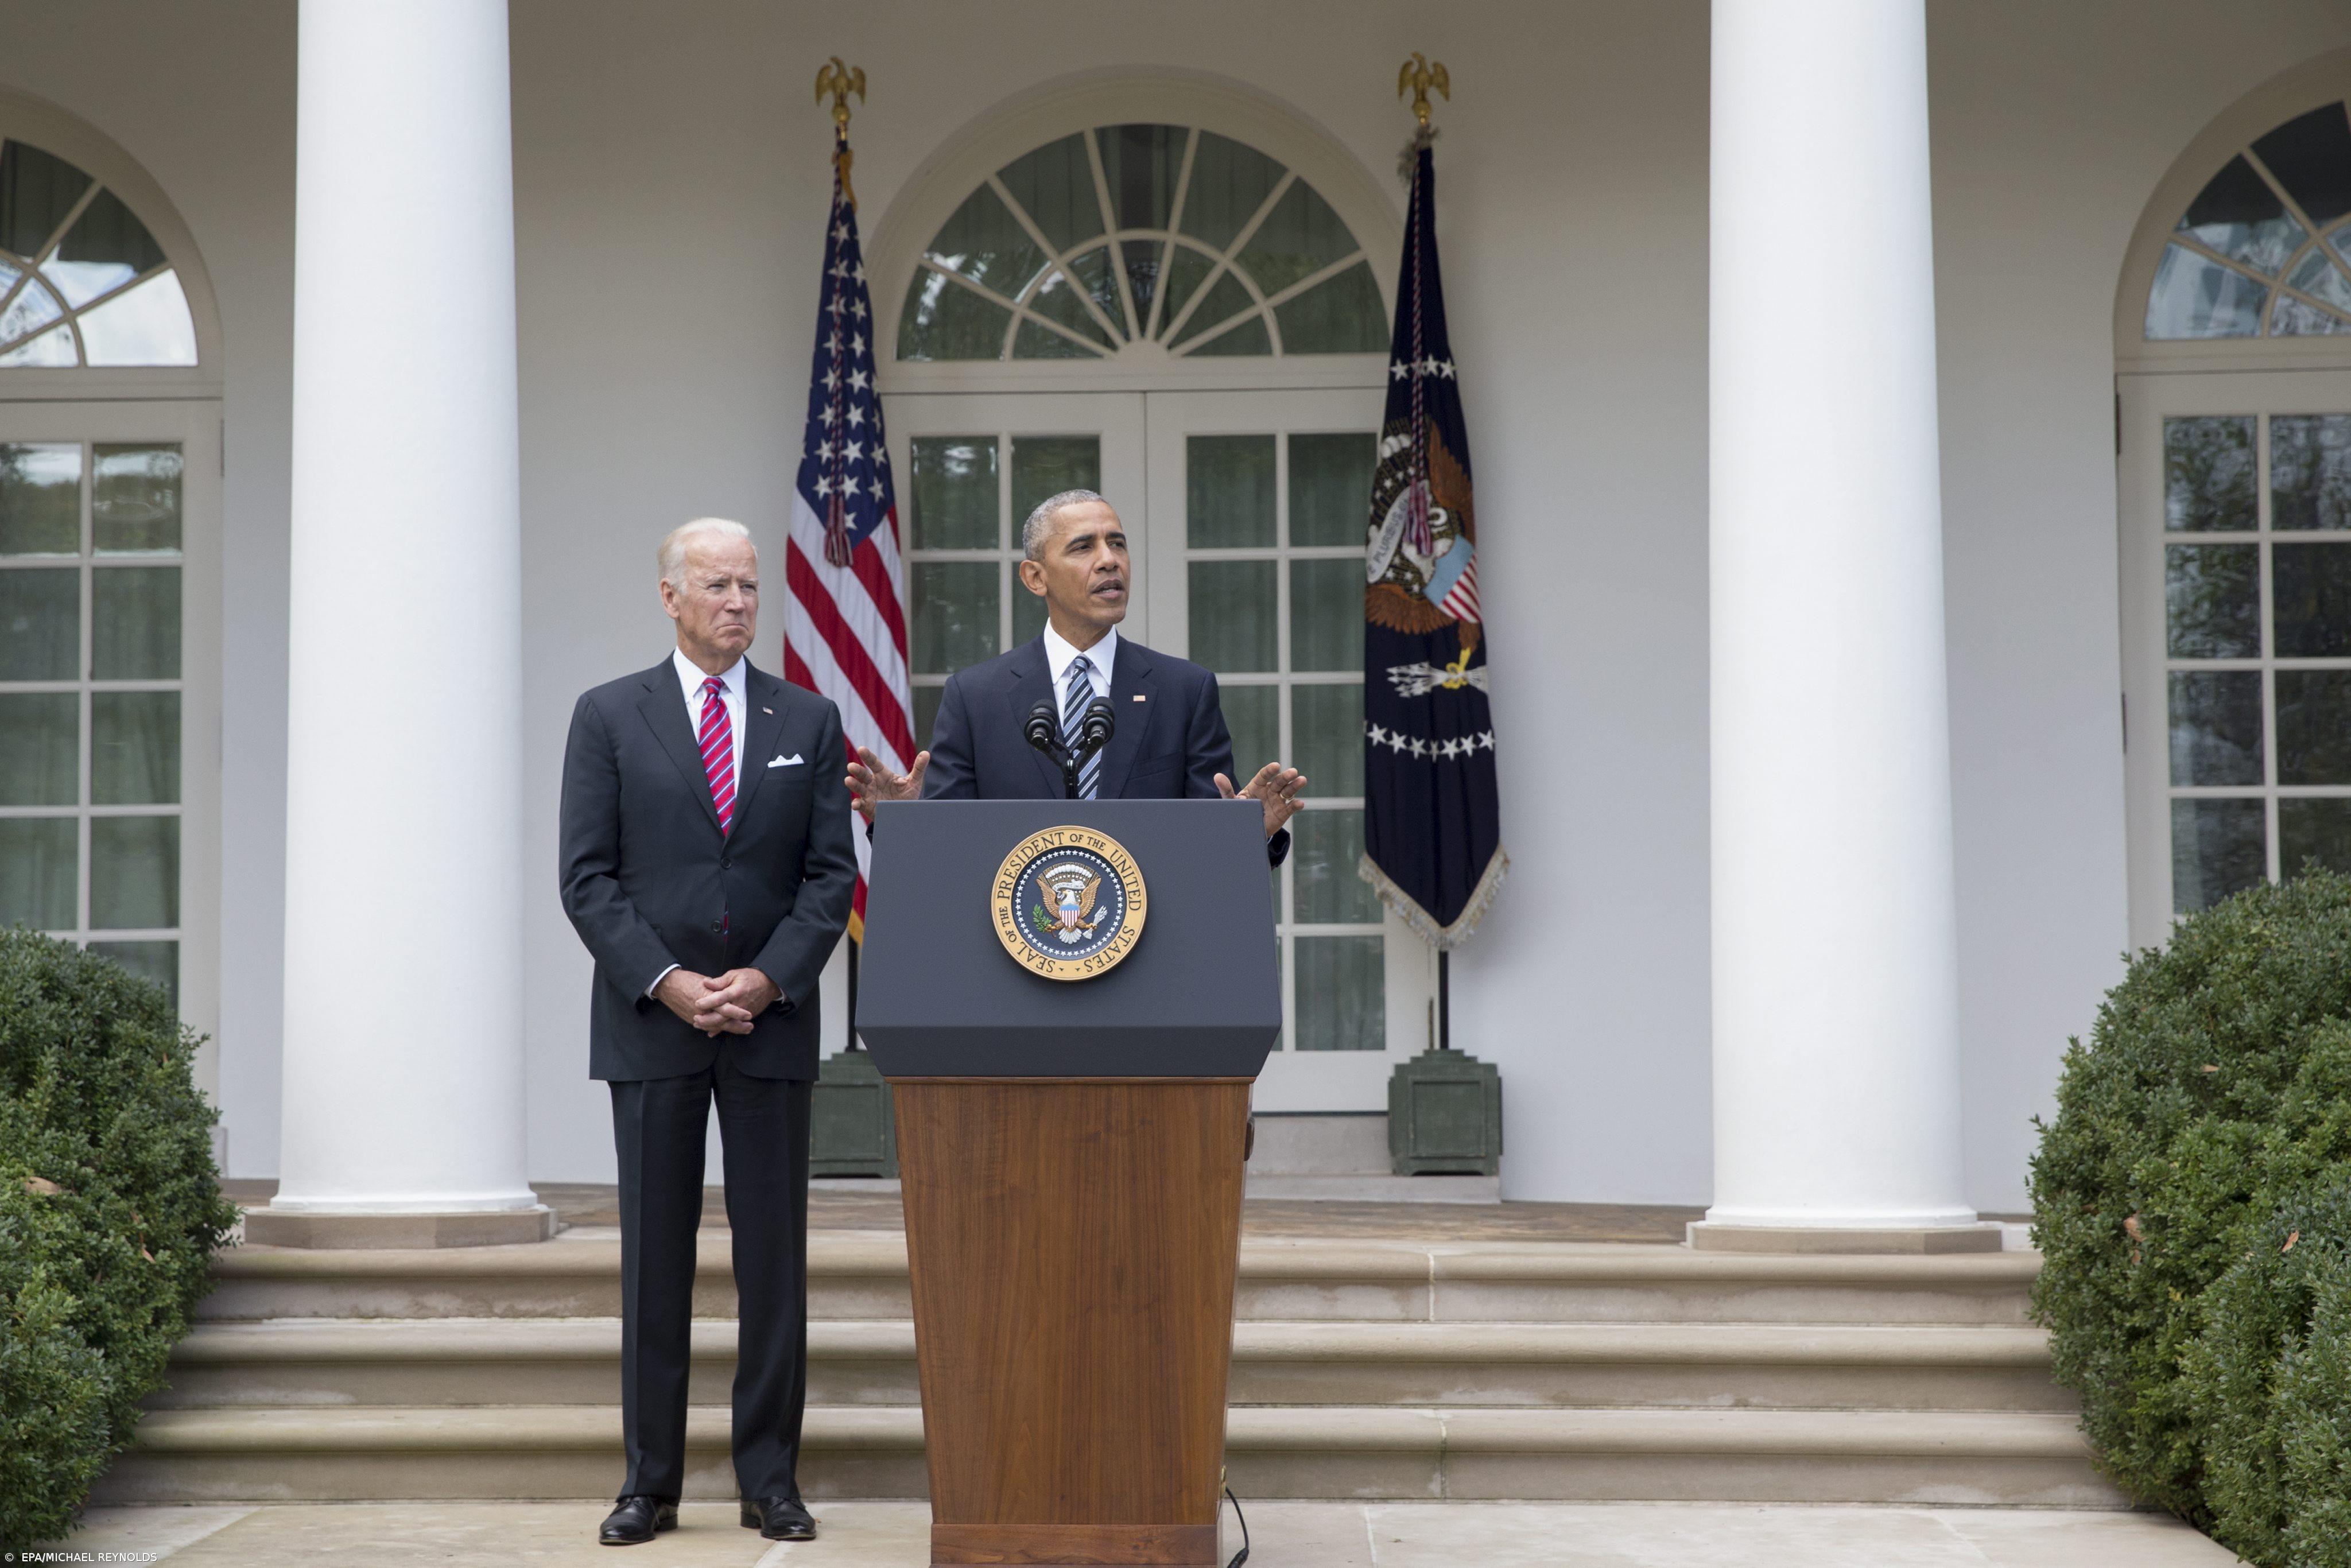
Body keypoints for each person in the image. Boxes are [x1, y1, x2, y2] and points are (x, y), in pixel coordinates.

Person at [558, 517, 855, 1546]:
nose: (737, 601)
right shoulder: (608, 716)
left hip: (769, 1027)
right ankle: (651, 1484)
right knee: (656, 1262)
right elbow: (587, 879)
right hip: (653, 1026)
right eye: (717, 585)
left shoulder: (807, 718)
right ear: (670, 597)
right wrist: (672, 981)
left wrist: (769, 980)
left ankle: (770, 1477)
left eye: (748, 585)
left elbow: (829, 876)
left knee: (774, 1261)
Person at [847, 490, 1306, 851]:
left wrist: (1251, 834)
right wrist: (904, 826)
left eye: (1118, 544)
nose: (1110, 560)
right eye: (1084, 547)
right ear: (1035, 577)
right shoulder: (975, 697)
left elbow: (1209, 849)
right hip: (1015, 955)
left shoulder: (1185, 691)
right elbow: (945, 854)